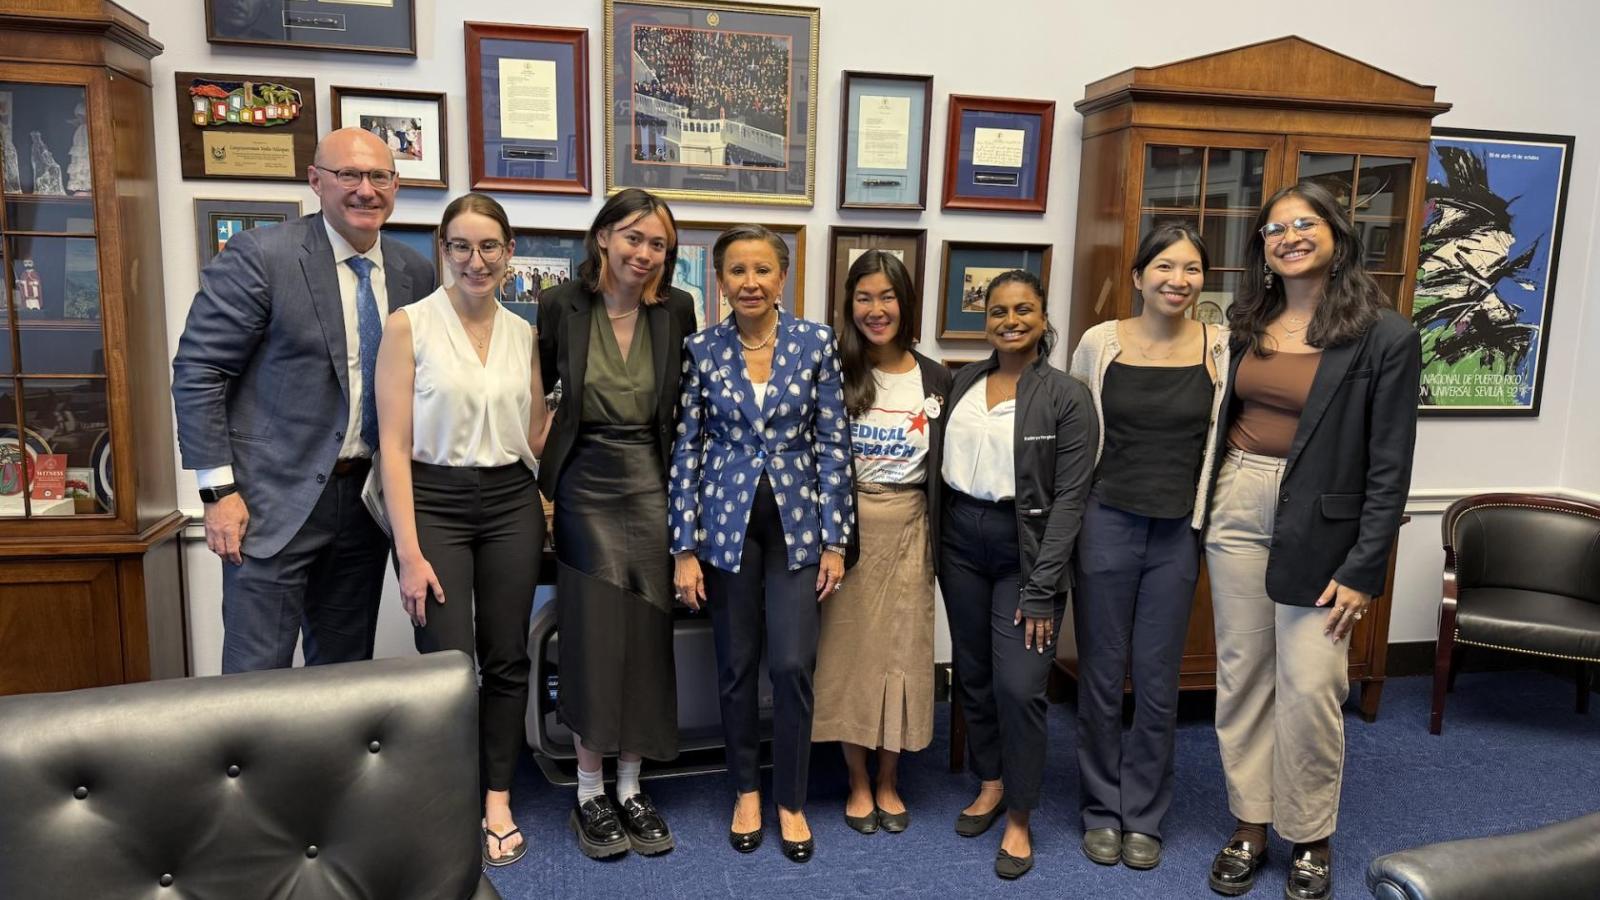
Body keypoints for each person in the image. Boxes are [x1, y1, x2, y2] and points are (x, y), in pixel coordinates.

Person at [1203, 181, 1419, 900]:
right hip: (1238, 500)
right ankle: (1249, 825)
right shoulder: (1247, 322)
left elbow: (1390, 465)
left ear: (1336, 234)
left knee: (1313, 685)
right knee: (1242, 676)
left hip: (1324, 529)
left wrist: (1365, 569)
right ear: (1261, 249)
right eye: (1273, 229)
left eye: (1304, 224)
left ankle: (1310, 836)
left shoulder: (1385, 334)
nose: (1288, 237)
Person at [172, 127, 436, 673]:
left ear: (396, 185)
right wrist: (217, 491)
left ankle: (328, 766)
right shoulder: (262, 256)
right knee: (256, 677)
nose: (366, 189)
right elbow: (200, 370)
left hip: (365, 504)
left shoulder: (415, 271)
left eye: (379, 176)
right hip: (270, 504)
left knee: (342, 676)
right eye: (349, 175)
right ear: (316, 181)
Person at [373, 192, 549, 868]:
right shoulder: (409, 326)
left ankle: (497, 797)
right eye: (461, 247)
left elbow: (533, 432)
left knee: (506, 657)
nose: (476, 261)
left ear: (508, 252)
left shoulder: (523, 331)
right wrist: (409, 552)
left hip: (510, 500)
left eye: (489, 247)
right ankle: (453, 796)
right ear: (442, 251)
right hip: (434, 500)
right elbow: (392, 447)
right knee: (450, 664)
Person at [669, 224, 854, 864]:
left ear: (782, 278)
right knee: (736, 664)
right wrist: (683, 547)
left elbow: (833, 443)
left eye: (763, 270)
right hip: (726, 527)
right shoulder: (701, 348)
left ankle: (792, 800)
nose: (750, 282)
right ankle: (746, 790)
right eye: (737, 271)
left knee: (793, 665)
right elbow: (686, 448)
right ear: (720, 282)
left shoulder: (815, 343)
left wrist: (837, 540)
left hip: (799, 526)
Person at [537, 189, 697, 860]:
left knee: (646, 636)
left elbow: (686, 410)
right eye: (634, 237)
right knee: (596, 637)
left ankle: (632, 786)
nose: (645, 253)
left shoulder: (678, 310)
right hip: (585, 485)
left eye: (658, 244)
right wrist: (542, 492)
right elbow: (539, 396)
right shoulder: (558, 306)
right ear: (602, 237)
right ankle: (589, 791)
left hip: (655, 483)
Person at [1068, 225, 1231, 871]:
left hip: (1176, 532)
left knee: (1159, 685)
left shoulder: (1221, 345)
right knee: (1103, 678)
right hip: (1105, 522)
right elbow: (1076, 434)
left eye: (1192, 269)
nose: (1178, 280)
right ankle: (1100, 810)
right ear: (1138, 276)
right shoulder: (1099, 343)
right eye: (1164, 266)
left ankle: (1144, 816)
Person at [939, 270, 1097, 880]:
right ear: (987, 319)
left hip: (1025, 554)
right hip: (960, 543)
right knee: (973, 675)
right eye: (999, 310)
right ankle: (991, 780)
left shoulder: (1066, 395)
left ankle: (1021, 816)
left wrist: (1041, 588)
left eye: (1023, 309)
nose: (1010, 320)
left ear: (1042, 318)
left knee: (1021, 685)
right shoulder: (965, 382)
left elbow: (1071, 499)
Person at [812, 250, 950, 836]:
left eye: (887, 297)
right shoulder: (831, 370)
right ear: (849, 306)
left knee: (902, 655)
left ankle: (889, 778)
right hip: (846, 530)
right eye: (863, 298)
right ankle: (858, 780)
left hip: (912, 528)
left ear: (905, 303)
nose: (876, 309)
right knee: (847, 656)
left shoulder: (937, 377)